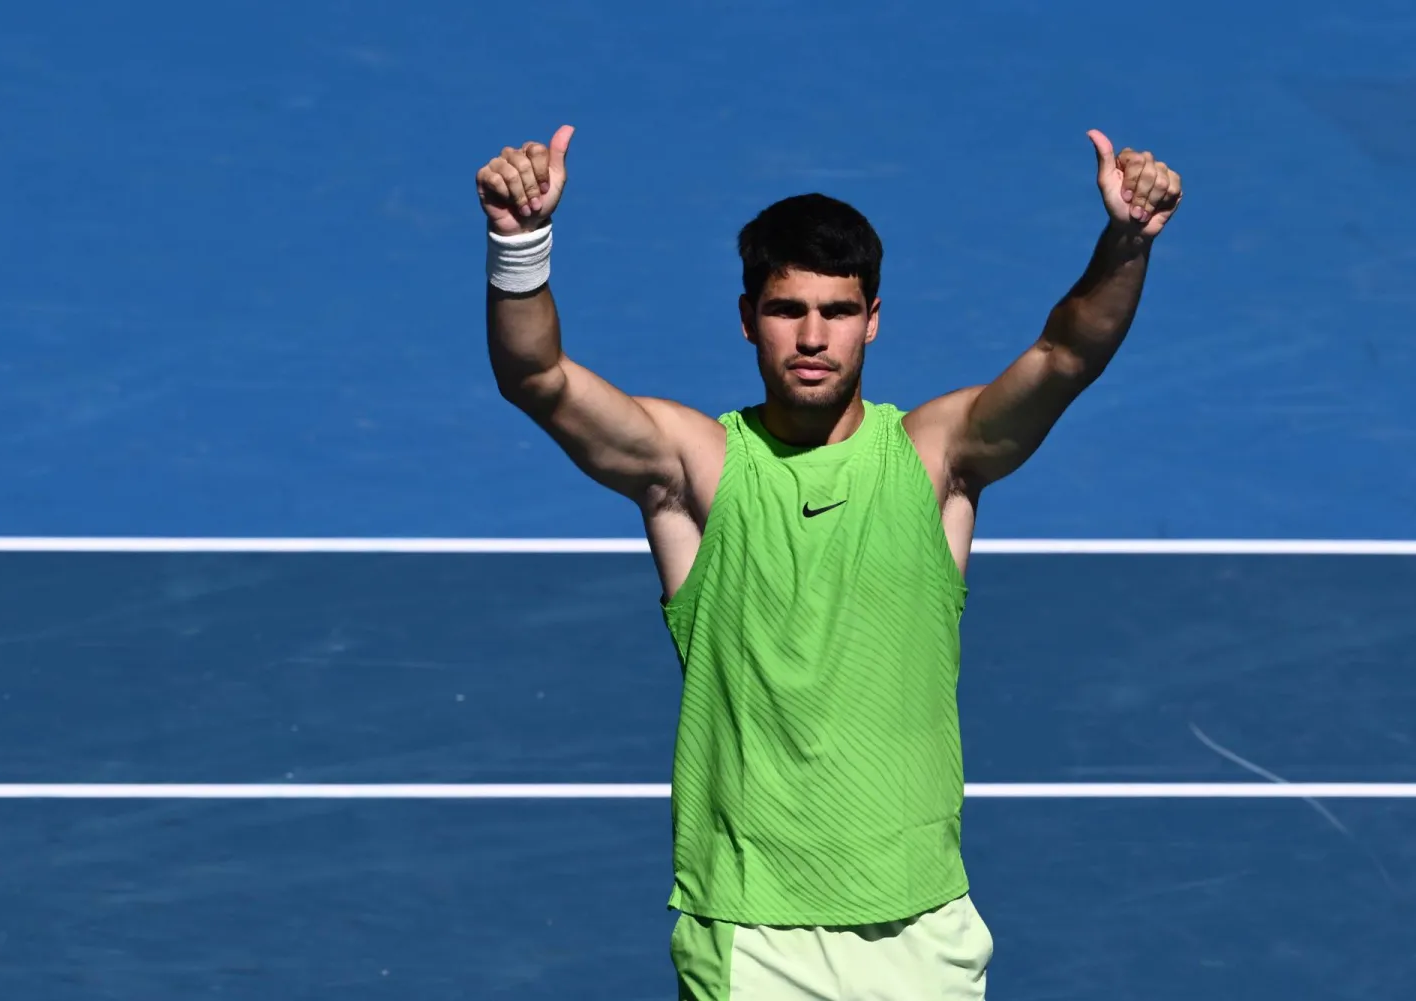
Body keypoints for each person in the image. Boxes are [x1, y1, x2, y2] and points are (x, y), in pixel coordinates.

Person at [479, 124, 1182, 1000]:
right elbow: (537, 378)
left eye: (839, 311)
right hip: (753, 934)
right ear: (748, 320)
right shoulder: (697, 470)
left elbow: (1067, 355)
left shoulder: (935, 460)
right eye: (786, 309)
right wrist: (520, 241)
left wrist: (1125, 241)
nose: (813, 336)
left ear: (872, 321)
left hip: (920, 927)